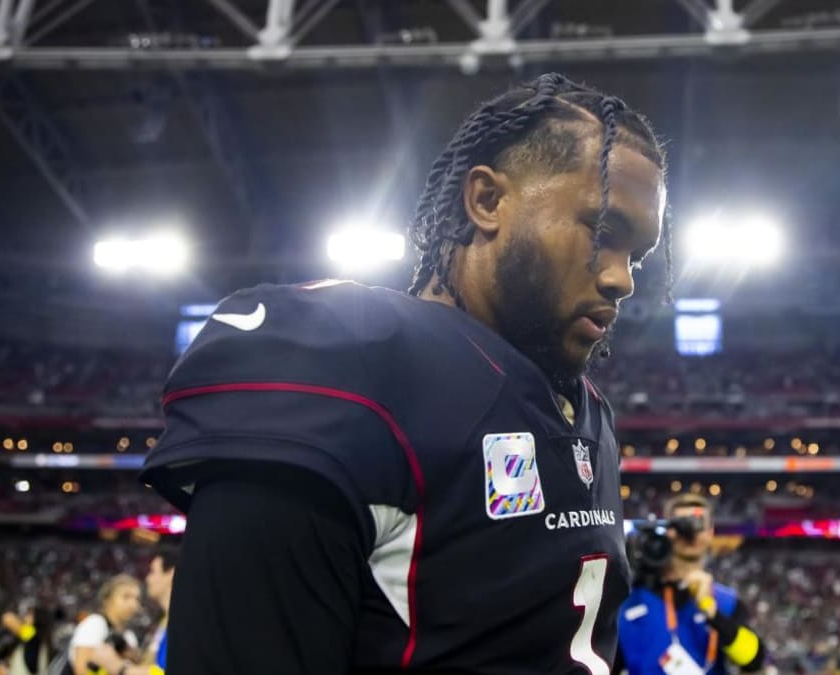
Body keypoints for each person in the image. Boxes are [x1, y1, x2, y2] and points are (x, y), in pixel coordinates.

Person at [140, 72, 671, 674]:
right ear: (487, 201)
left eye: (636, 255)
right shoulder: (350, 371)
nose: (622, 278)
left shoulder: (587, 412)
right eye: (603, 233)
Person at [617, 493, 765, 675]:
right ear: (668, 530)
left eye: (698, 524)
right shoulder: (629, 603)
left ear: (711, 533)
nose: (690, 532)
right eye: (681, 524)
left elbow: (753, 659)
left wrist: (712, 612)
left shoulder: (726, 602)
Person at [88, 552, 175, 675]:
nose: (148, 578)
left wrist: (119, 667)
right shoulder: (165, 622)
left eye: (152, 571)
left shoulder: (181, 624)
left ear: (171, 574)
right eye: (126, 597)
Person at [65, 575, 141, 675]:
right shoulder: (95, 623)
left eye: (137, 599)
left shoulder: (129, 636)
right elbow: (81, 669)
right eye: (126, 597)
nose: (133, 604)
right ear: (107, 600)